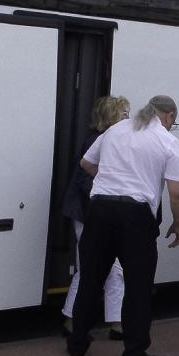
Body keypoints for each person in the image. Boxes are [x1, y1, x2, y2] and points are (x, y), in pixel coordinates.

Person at [67, 95, 179, 356]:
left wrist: (111, 179)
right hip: (136, 216)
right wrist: (178, 224)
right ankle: (134, 353)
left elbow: (86, 164)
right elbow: (176, 192)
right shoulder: (167, 140)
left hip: (100, 210)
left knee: (91, 280)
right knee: (138, 287)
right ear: (168, 117)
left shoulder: (115, 130)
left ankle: (77, 343)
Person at [60, 95, 130, 339]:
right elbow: (84, 179)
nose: (128, 119)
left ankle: (114, 322)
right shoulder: (100, 141)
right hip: (90, 213)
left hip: (95, 212)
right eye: (123, 114)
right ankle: (74, 320)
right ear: (112, 117)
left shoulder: (103, 139)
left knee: (109, 267)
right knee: (95, 267)